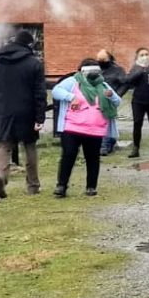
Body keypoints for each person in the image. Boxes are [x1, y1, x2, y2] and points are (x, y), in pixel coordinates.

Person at [0, 30, 46, 198]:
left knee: (3, 145)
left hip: (2, 111)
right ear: (29, 45)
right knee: (29, 146)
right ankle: (33, 186)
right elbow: (40, 92)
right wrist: (40, 117)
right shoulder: (34, 63)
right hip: (27, 111)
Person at [51, 59, 121, 197]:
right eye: (89, 71)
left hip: (95, 129)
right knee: (68, 155)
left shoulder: (103, 84)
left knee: (93, 158)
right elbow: (55, 91)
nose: (92, 74)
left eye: (95, 71)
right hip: (72, 127)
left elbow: (118, 101)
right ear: (81, 71)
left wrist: (111, 95)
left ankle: (91, 186)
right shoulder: (72, 82)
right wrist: (70, 97)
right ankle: (61, 186)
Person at [95, 49, 127, 155]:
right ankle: (109, 142)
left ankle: (104, 146)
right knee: (105, 122)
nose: (100, 61)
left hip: (111, 99)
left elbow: (125, 84)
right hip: (96, 99)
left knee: (106, 121)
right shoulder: (96, 69)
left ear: (109, 59)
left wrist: (117, 95)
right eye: (99, 59)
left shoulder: (117, 70)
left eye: (103, 59)